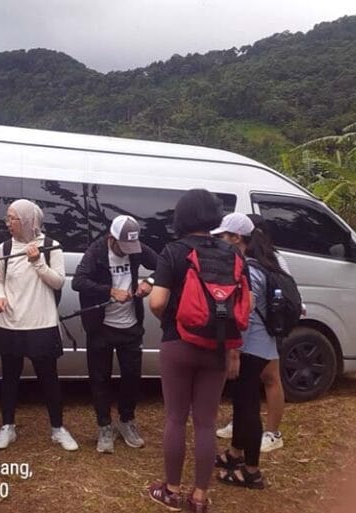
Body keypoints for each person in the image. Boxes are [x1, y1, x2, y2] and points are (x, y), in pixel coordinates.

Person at [147, 189, 243, 513]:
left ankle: (171, 491)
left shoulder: (173, 251)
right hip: (218, 345)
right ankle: (199, 497)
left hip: (178, 342)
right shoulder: (232, 253)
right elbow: (245, 303)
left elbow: (157, 301)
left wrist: (170, 321)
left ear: (182, 216)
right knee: (206, 422)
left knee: (175, 418)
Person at [0, 199, 78, 451]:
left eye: (12, 218)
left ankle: (57, 428)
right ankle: (7, 426)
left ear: (27, 221)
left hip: (42, 322)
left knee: (49, 378)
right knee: (9, 378)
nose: (7, 223)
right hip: (11, 321)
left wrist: (38, 262)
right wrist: (0, 297)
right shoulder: (4, 248)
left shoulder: (50, 246)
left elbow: (58, 282)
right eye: (7, 218)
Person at [71, 215, 158, 453]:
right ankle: (104, 426)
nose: (128, 251)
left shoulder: (136, 248)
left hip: (131, 325)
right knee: (100, 378)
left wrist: (149, 281)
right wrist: (109, 291)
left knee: (132, 377)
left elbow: (163, 264)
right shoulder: (96, 251)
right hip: (101, 327)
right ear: (111, 238)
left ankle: (126, 420)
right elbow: (78, 282)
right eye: (123, 245)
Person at [213, 212, 282, 489]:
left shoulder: (250, 270)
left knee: (248, 407)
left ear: (236, 238)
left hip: (251, 347)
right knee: (242, 403)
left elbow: (246, 314)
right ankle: (235, 454)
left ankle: (251, 471)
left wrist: (235, 351)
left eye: (223, 236)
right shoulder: (261, 262)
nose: (220, 240)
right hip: (260, 344)